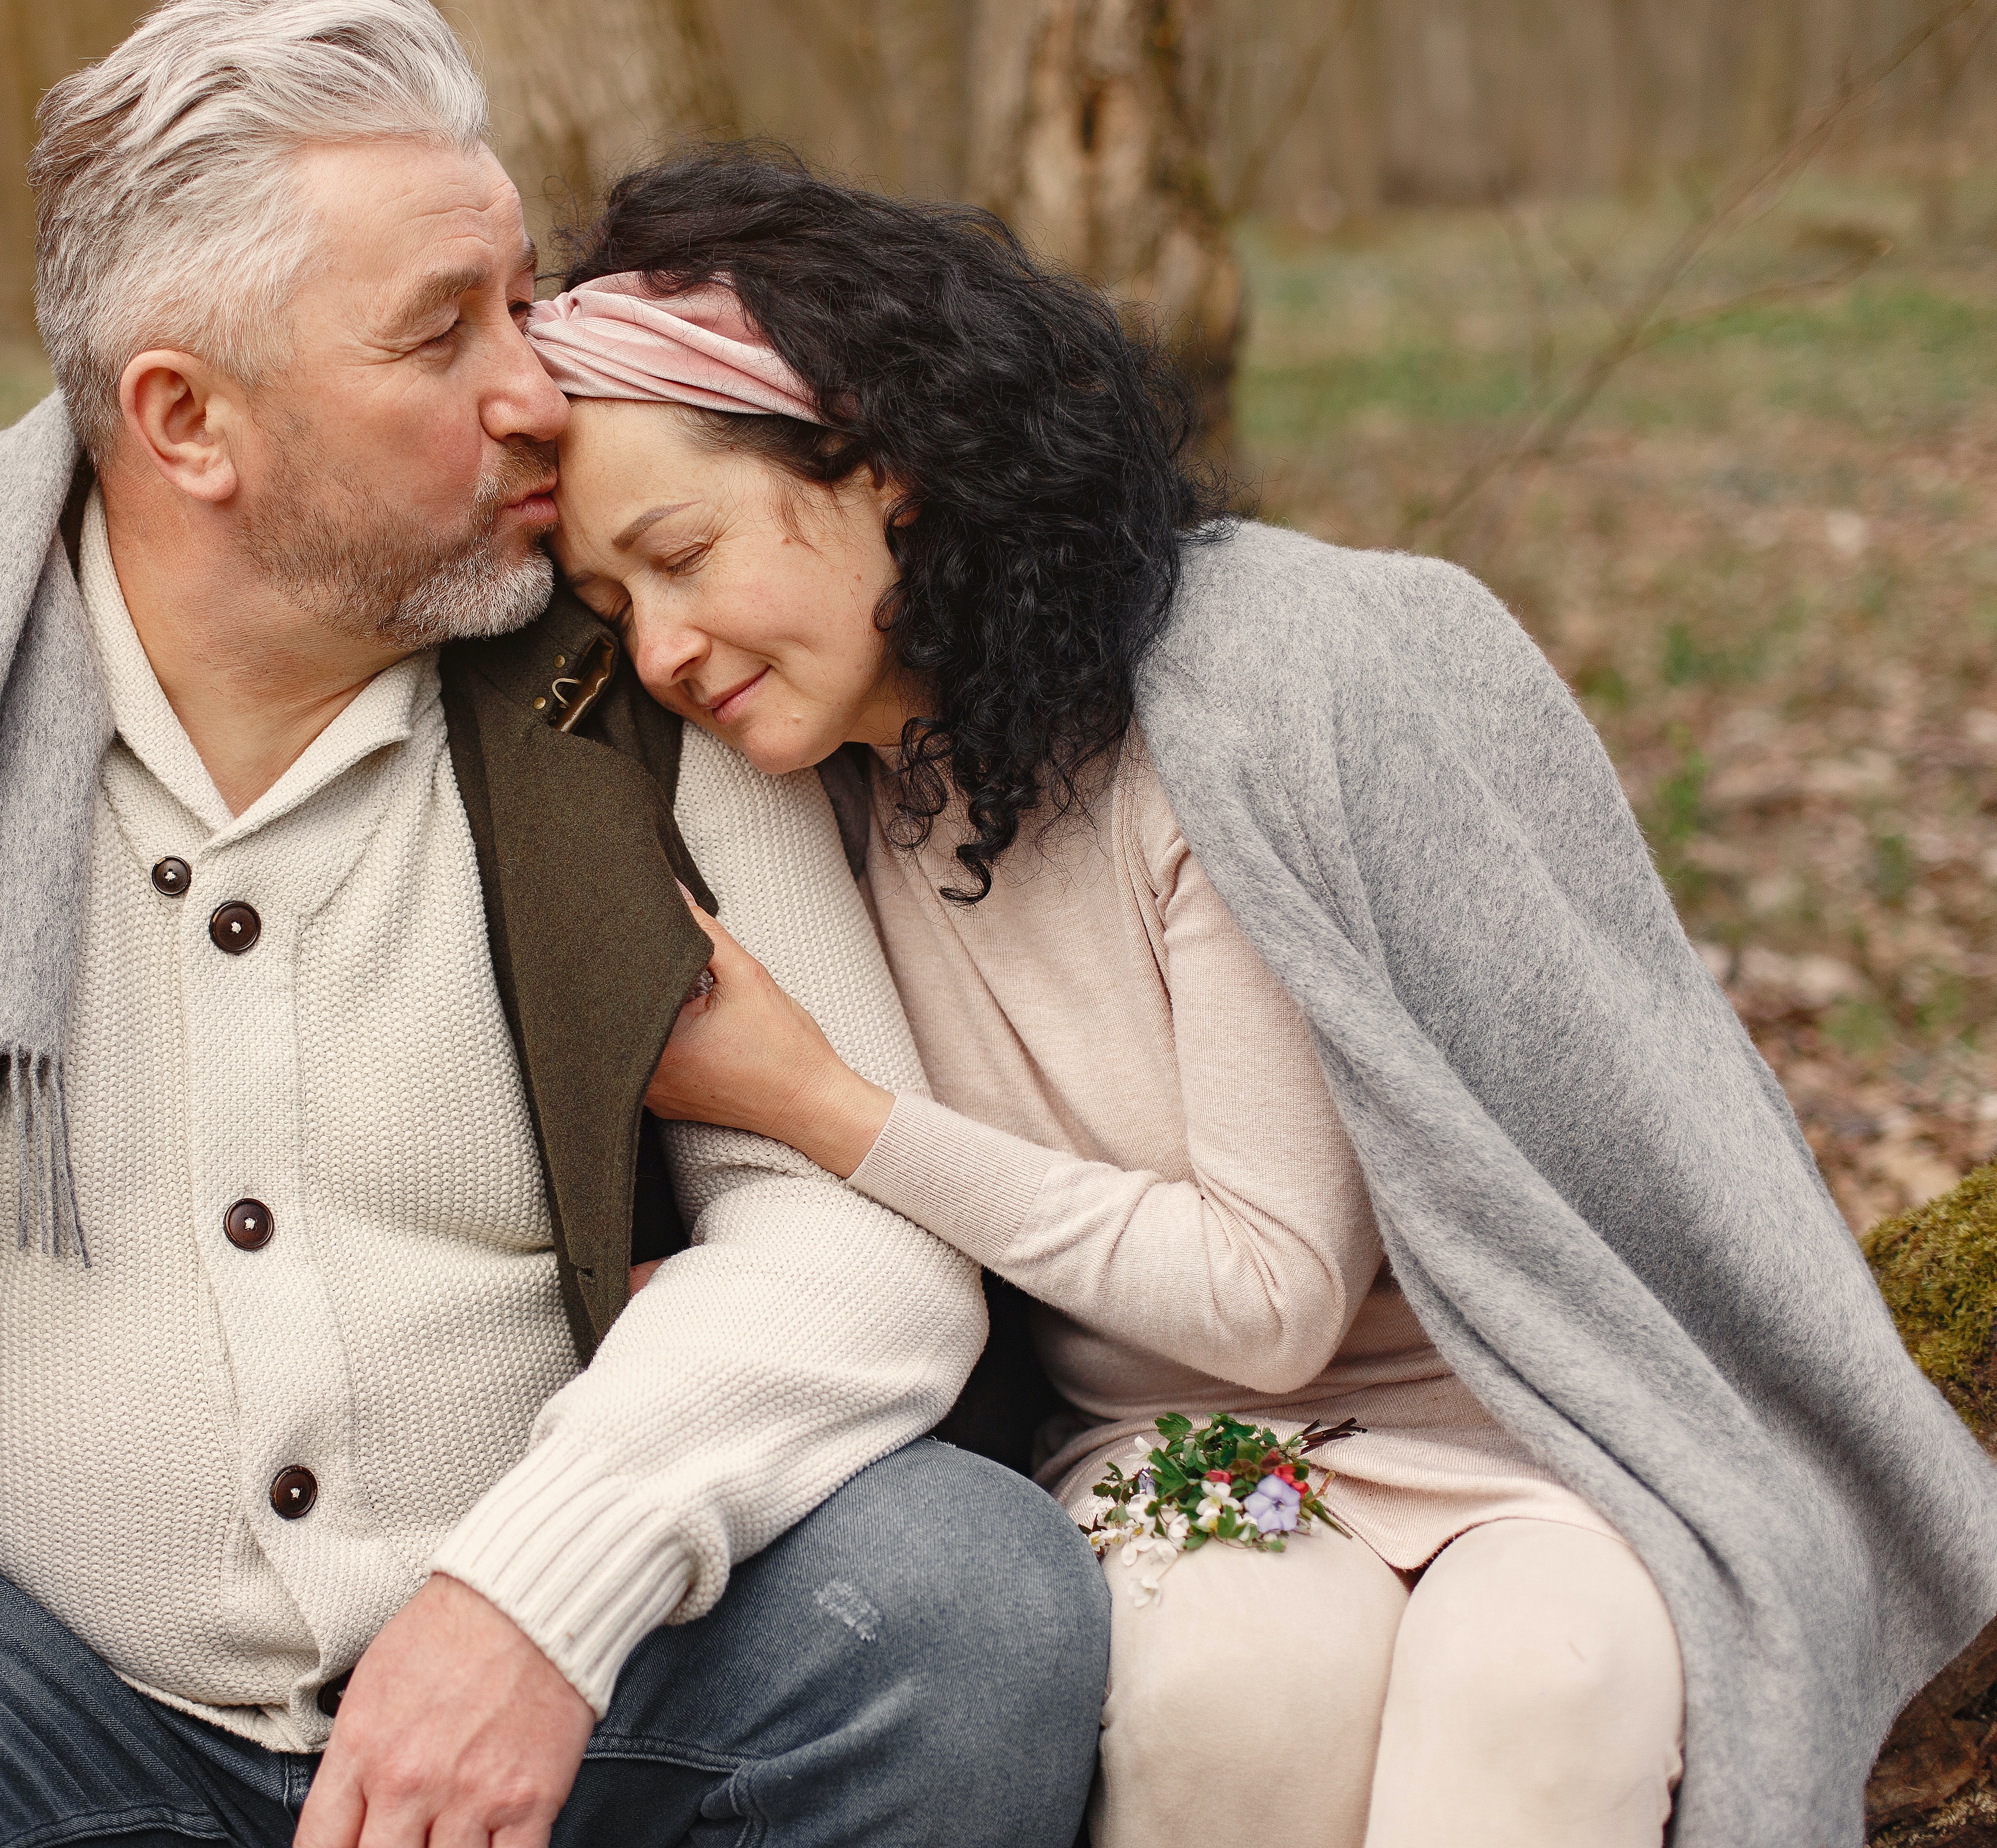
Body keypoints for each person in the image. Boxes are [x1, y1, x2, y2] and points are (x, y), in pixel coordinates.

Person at [0, 16, 1109, 1848]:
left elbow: (858, 1237)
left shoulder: (632, 669)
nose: (539, 393)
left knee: (964, 1606)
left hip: (569, 1691)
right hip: (24, 1699)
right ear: (186, 421)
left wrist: (537, 1597)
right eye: (439, 329)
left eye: (521, 298)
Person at [532, 150, 1997, 1848]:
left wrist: (821, 1105)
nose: (660, 650)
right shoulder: (800, 791)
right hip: (1175, 1450)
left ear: (882, 467)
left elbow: (1271, 1292)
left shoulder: (1228, 704)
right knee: (1229, 1692)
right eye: (611, 605)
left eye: (685, 554)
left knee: (1544, 1692)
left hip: (1517, 1413)